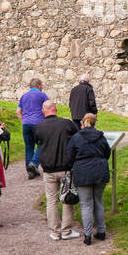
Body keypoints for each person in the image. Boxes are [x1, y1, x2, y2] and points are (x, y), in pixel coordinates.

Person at [34, 101, 80, 241]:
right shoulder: (66, 124)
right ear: (56, 109)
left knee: (51, 200)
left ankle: (55, 231)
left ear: (43, 111)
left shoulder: (38, 127)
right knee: (67, 197)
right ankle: (66, 231)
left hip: (48, 168)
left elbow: (38, 143)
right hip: (65, 167)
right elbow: (77, 138)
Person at [66, 113, 111, 245]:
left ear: (82, 123)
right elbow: (107, 153)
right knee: (98, 202)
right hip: (100, 171)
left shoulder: (76, 138)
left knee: (86, 204)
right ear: (95, 122)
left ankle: (87, 235)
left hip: (83, 172)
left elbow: (69, 157)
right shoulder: (101, 137)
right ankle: (101, 232)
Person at [17, 78, 49, 177]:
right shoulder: (42, 95)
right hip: (38, 124)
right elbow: (48, 108)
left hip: (26, 124)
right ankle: (34, 164)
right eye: (42, 85)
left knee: (29, 147)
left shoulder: (23, 96)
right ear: (39, 85)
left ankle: (30, 172)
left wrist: (23, 122)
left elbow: (18, 112)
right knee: (43, 143)